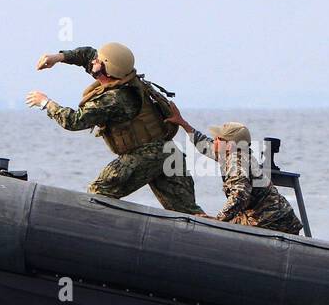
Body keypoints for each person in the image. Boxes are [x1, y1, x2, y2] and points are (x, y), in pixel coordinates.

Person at [25, 42, 202, 215]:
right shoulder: (123, 78)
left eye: (98, 61)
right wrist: (58, 57)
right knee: (188, 212)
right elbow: (87, 54)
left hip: (147, 154)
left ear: (106, 70)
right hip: (169, 152)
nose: (93, 61)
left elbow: (74, 121)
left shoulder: (114, 99)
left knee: (98, 192)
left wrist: (45, 103)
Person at [166, 107, 303, 234]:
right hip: (267, 217)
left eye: (218, 139)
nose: (214, 140)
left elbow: (240, 195)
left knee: (212, 227)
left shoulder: (237, 162)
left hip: (271, 222)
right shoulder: (232, 153)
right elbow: (205, 145)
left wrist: (218, 220)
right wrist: (183, 123)